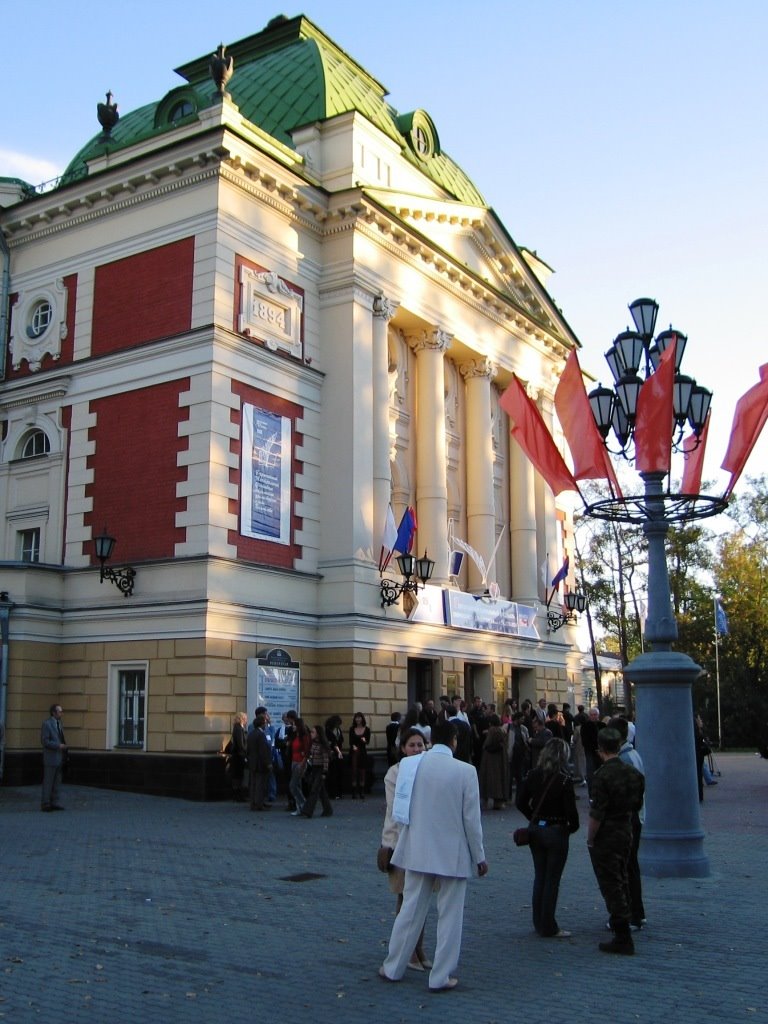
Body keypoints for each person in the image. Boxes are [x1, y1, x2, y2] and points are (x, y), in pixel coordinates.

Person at [379, 721, 488, 992]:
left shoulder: (410, 766)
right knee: (450, 916)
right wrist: (480, 857)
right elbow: (471, 820)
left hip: (417, 848)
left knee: (410, 909)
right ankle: (441, 976)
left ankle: (393, 966)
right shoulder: (466, 771)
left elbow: (398, 809)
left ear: (430, 740)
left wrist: (392, 842)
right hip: (453, 852)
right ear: (453, 740)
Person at [587, 727, 645, 955]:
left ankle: (622, 933)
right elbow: (637, 805)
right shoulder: (633, 774)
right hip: (627, 829)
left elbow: (596, 813)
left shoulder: (601, 777)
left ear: (600, 750)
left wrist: (590, 839)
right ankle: (629, 918)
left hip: (607, 834)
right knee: (624, 875)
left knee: (611, 882)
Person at [516, 738, 579, 938]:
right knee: (552, 879)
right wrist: (570, 828)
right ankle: (548, 925)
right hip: (556, 830)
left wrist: (532, 815)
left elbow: (520, 801)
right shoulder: (563, 780)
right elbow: (572, 814)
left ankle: (538, 921)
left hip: (537, 829)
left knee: (540, 876)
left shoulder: (533, 775)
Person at [380, 727, 431, 970]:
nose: (417, 749)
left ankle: (418, 947)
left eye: (420, 745)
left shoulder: (429, 770)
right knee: (405, 897)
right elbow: (395, 810)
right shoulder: (395, 772)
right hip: (400, 841)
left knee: (421, 897)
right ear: (402, 748)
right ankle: (406, 950)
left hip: (423, 841)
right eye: (412, 745)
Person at [609, 716, 646, 930]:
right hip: (633, 817)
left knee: (624, 868)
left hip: (626, 819)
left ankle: (630, 915)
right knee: (630, 867)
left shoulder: (625, 760)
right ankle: (637, 912)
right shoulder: (633, 755)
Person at [301, 725, 333, 818]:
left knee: (314, 790)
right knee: (321, 790)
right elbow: (311, 755)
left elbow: (326, 760)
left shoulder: (323, 745)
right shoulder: (314, 743)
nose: (311, 734)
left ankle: (307, 810)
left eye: (313, 732)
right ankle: (328, 809)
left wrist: (324, 772)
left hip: (321, 769)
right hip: (314, 768)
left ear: (318, 734)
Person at [41, 703, 67, 812]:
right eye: (59, 711)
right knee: (48, 781)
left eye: (61, 711)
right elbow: (45, 741)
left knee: (57, 781)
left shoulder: (59, 724)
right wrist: (58, 745)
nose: (61, 713)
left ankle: (54, 802)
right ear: (53, 713)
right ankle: (46, 803)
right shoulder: (47, 724)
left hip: (59, 757)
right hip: (51, 757)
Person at [478, 714, 508, 809]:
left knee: (488, 778)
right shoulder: (502, 730)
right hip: (501, 757)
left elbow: (487, 743)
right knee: (499, 778)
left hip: (491, 758)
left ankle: (486, 800)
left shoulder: (492, 730)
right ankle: (498, 802)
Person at [247, 713, 273, 811]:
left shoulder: (251, 734)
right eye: (265, 722)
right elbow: (263, 751)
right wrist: (268, 763)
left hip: (253, 763)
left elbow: (248, 749)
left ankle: (254, 803)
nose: (266, 724)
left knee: (253, 784)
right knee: (260, 785)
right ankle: (259, 804)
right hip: (260, 764)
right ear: (262, 724)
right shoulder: (261, 735)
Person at [288, 717, 311, 815]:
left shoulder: (304, 736)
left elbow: (307, 751)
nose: (292, 726)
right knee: (298, 785)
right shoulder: (295, 736)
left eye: (294, 725)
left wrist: (303, 762)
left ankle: (304, 804)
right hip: (294, 761)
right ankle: (299, 808)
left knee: (292, 786)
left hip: (300, 762)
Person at [348, 712, 371, 799]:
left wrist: (364, 740)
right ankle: (354, 792)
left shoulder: (367, 729)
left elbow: (367, 742)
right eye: (356, 718)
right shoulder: (352, 729)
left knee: (362, 772)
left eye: (359, 718)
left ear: (362, 719)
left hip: (362, 752)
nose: (358, 719)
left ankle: (362, 791)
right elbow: (350, 741)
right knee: (354, 771)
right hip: (354, 752)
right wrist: (353, 746)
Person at [228, 711, 248, 801]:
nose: (246, 720)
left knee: (237, 776)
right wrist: (245, 753)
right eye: (245, 718)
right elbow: (241, 744)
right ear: (242, 719)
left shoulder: (237, 728)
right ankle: (238, 796)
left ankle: (237, 795)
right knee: (238, 776)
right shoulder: (239, 728)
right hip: (239, 756)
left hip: (236, 755)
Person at [325, 715, 345, 799]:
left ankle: (338, 793)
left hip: (338, 753)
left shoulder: (338, 730)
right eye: (337, 724)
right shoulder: (328, 730)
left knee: (338, 773)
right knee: (332, 774)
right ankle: (332, 793)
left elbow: (341, 740)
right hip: (331, 753)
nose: (338, 726)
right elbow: (331, 742)